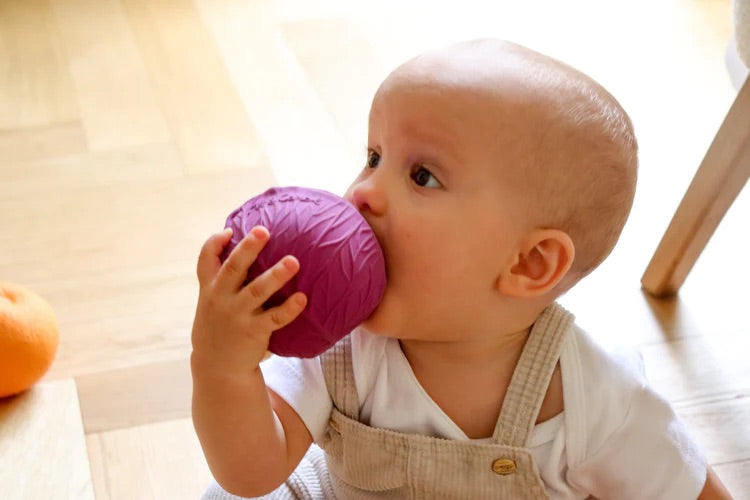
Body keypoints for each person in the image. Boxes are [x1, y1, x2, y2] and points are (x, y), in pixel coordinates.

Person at [191, 39, 732, 499]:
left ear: (529, 263)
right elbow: (250, 472)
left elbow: (686, 488)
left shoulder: (591, 393)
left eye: (422, 176)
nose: (362, 192)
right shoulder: (339, 347)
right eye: (374, 156)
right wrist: (222, 365)